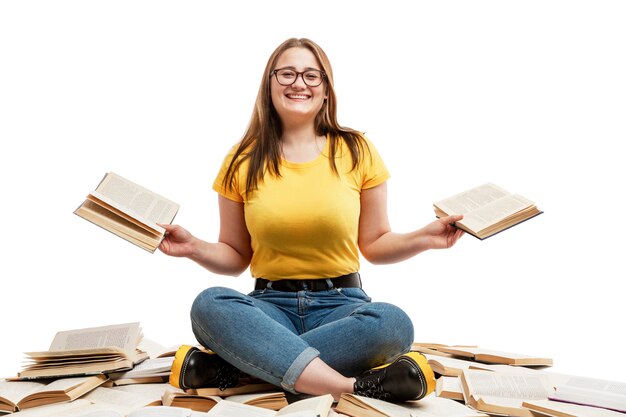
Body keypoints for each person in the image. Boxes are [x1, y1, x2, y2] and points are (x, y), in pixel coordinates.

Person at [159, 37, 464, 403]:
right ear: (269, 83)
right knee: (209, 304)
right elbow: (236, 255)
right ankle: (352, 386)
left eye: (311, 76)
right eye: (286, 73)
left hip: (342, 305)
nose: (298, 83)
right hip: (269, 306)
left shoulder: (356, 149)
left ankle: (239, 370)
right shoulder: (242, 159)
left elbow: (375, 245)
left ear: (326, 89)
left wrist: (425, 237)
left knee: (393, 323)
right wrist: (192, 246)